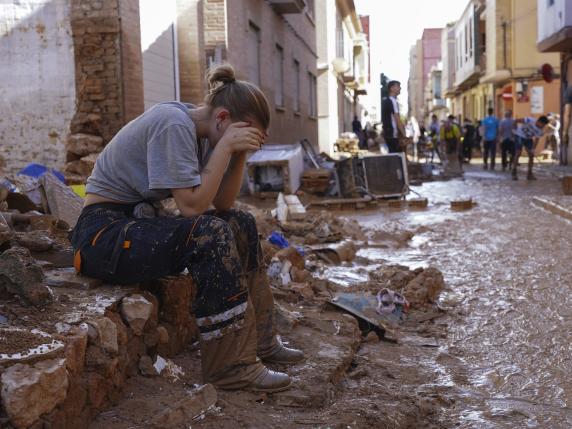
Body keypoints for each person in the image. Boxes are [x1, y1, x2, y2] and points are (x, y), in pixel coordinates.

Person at [69, 64, 304, 393]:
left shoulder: (206, 133)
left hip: (137, 223)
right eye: (243, 132)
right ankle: (230, 367)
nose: (243, 140)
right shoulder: (173, 124)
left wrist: (237, 155)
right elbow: (192, 208)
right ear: (222, 119)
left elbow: (222, 204)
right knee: (209, 233)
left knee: (239, 223)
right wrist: (225, 148)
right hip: (103, 235)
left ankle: (263, 342)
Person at [512, 115, 550, 180]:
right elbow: (516, 120)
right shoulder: (529, 120)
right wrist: (514, 129)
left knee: (531, 155)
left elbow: (536, 140)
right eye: (543, 125)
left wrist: (533, 149)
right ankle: (514, 171)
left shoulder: (540, 131)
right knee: (518, 152)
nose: (543, 126)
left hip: (528, 139)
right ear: (539, 122)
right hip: (519, 136)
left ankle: (529, 174)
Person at [381, 80, 406, 153]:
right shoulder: (392, 101)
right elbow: (397, 119)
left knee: (392, 155)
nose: (400, 88)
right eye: (398, 86)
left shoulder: (386, 101)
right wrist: (404, 135)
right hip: (392, 134)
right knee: (396, 156)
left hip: (388, 132)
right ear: (392, 88)